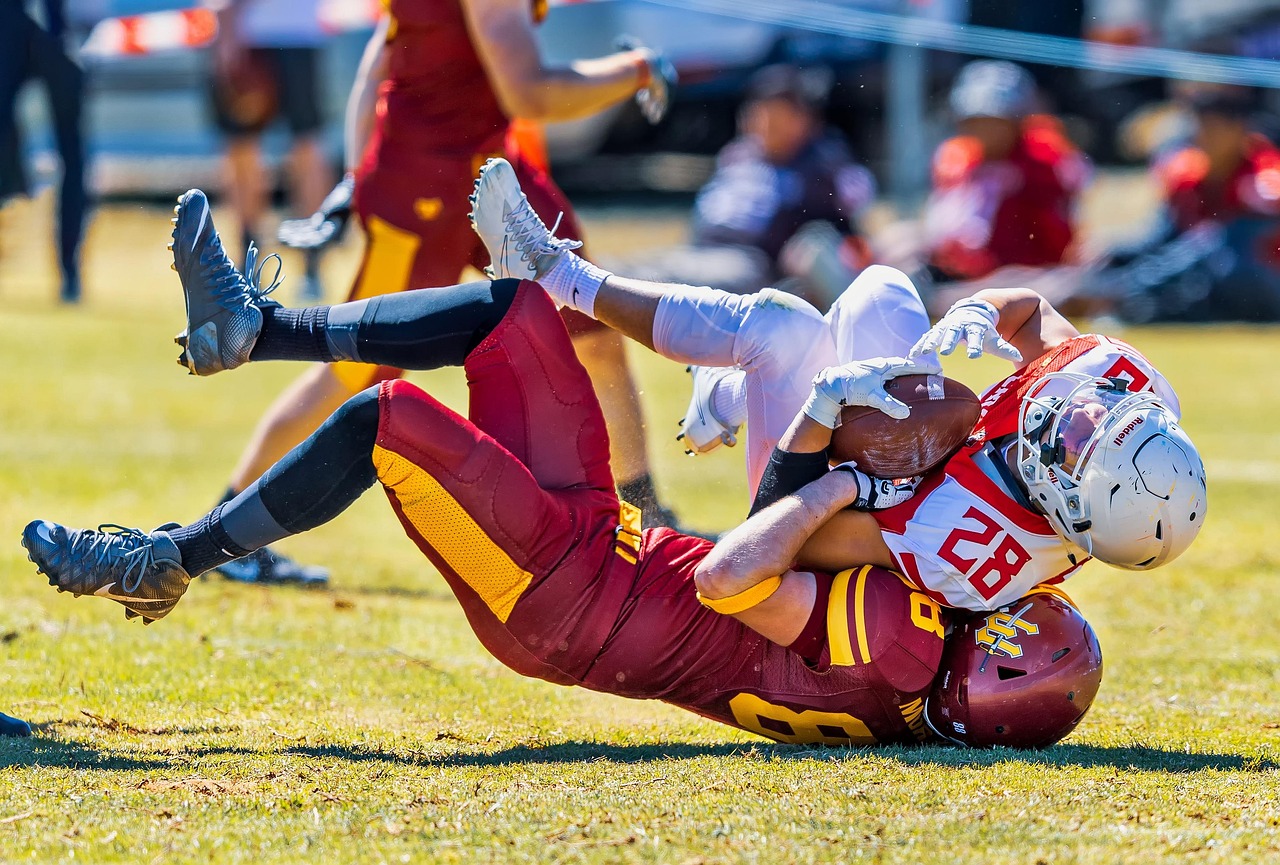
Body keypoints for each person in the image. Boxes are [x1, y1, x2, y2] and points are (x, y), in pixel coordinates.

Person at [23, 186, 951, 748]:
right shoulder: (931, 612)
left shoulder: (907, 641)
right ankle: (255, 330)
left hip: (570, 599)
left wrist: (830, 456)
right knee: (512, 311)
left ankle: (171, 559)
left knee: (386, 420)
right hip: (608, 547)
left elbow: (736, 570)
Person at [460, 160, 1206, 612]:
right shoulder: (1126, 392)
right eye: (1096, 418)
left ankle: (558, 275)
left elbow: (803, 539)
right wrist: (981, 308)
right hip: (907, 452)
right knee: (881, 290)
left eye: (1074, 442)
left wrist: (823, 421)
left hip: (818, 494)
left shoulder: (973, 546)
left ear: (1062, 500)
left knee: (780, 327)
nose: (1074, 411)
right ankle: (724, 393)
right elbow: (1037, 317)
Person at [206, 0, 683, 585]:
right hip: (422, 186)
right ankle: (228, 534)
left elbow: (380, 58)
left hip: (494, 171)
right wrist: (636, 69)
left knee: (595, 326)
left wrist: (357, 175)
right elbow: (529, 93)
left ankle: (646, 521)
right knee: (356, 372)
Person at [620, 63, 875, 308]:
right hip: (703, 251)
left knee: (652, 279)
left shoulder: (820, 165)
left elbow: (838, 229)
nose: (765, 124)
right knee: (638, 266)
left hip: (752, 264)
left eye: (777, 116)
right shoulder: (740, 155)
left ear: (803, 120)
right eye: (760, 114)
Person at [877, 61, 1091, 315]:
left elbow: (1057, 237)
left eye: (992, 121)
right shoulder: (955, 157)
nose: (982, 131)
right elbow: (941, 223)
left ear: (1017, 121)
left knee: (1050, 288)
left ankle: (930, 303)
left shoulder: (1045, 160)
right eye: (974, 121)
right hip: (958, 268)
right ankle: (910, 296)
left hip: (1021, 271)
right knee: (899, 240)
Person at [1100, 82, 1280, 322]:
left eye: (1213, 128)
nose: (1203, 137)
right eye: (1199, 127)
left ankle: (1123, 300)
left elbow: (1219, 247)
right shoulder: (1188, 173)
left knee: (1217, 251)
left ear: (1240, 130)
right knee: (1115, 259)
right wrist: (1110, 256)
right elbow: (1162, 239)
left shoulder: (1265, 177)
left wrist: (1131, 285)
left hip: (1263, 287)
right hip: (1202, 279)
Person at [207, 0, 333, 297]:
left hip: (254, 34)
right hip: (297, 33)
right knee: (300, 147)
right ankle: (304, 262)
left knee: (254, 151)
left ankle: (251, 263)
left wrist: (227, 22)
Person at [0, 0, 88, 303]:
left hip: (56, 23)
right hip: (11, 18)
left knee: (72, 153)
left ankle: (70, 270)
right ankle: (15, 183)